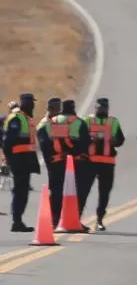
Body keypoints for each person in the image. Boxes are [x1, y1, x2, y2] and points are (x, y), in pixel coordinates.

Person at [46, 99, 91, 232]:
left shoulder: (52, 122)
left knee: (56, 191)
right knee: (76, 193)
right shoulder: (79, 123)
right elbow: (86, 143)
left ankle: (54, 220)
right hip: (76, 164)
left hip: (56, 162)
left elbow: (45, 141)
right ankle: (74, 219)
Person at [82, 97, 125, 231]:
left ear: (107, 108)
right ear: (95, 108)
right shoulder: (87, 120)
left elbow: (121, 140)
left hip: (107, 163)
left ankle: (99, 219)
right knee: (83, 191)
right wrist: (90, 139)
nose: (101, 109)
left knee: (104, 193)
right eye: (99, 107)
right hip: (90, 162)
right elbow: (80, 137)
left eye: (104, 107)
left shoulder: (113, 122)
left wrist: (114, 141)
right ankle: (77, 217)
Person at [2, 93, 40, 231]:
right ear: (23, 103)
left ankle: (18, 221)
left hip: (25, 161)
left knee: (22, 191)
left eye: (33, 103)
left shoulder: (26, 118)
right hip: (19, 161)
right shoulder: (17, 118)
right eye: (30, 103)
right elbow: (7, 143)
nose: (33, 105)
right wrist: (10, 160)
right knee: (20, 191)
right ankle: (16, 221)